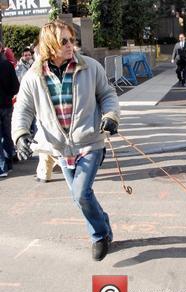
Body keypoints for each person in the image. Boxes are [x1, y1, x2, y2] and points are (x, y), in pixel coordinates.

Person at [12, 20, 120, 261]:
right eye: (64, 41)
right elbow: (23, 109)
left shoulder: (90, 67)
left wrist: (111, 116)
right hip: (60, 148)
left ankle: (99, 236)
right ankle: (103, 221)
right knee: (79, 196)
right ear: (50, 45)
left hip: (90, 141)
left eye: (72, 39)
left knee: (81, 193)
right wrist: (20, 135)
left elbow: (107, 94)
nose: (71, 45)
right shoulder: (33, 76)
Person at [0, 42, 20, 177]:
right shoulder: (7, 65)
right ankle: (9, 161)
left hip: (5, 103)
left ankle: (2, 167)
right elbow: (15, 87)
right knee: (7, 133)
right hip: (6, 104)